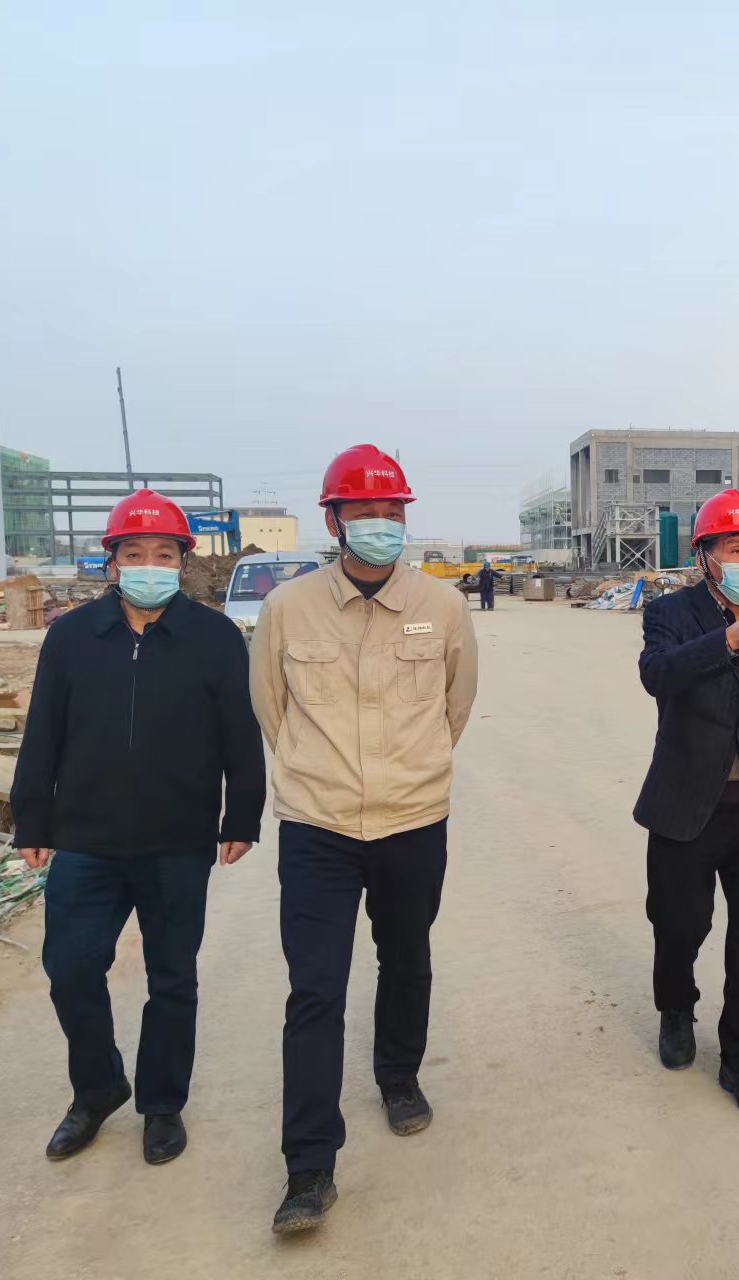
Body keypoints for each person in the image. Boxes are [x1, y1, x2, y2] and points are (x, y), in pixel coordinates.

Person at [250, 444, 479, 1234]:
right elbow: (271, 708)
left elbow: (455, 704)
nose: (381, 523)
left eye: (392, 511)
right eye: (364, 511)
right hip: (317, 825)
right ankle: (309, 1167)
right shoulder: (288, 608)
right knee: (315, 988)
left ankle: (399, 1076)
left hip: (413, 819)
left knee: (406, 957)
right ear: (334, 520)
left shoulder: (442, 606)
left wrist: (411, 771)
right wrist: (322, 774)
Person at [12, 489, 264, 1167]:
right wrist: (32, 816)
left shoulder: (214, 638)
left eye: (163, 553)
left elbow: (240, 735)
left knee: (172, 979)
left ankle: (162, 1103)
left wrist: (242, 814)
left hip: (178, 840)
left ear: (183, 562)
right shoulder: (71, 636)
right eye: (135, 552)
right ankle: (96, 1091)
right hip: (86, 840)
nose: (149, 564)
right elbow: (43, 731)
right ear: (113, 561)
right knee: (70, 970)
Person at [634, 491, 739, 1117]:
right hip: (687, 804)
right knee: (680, 926)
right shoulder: (670, 612)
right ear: (705, 555)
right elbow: (656, 674)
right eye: (736, 548)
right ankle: (676, 1009)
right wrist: (725, 642)